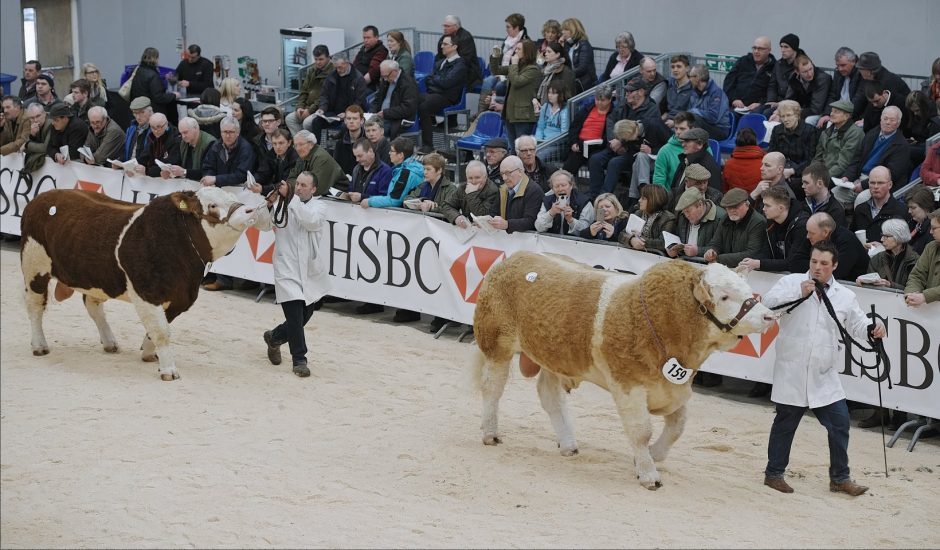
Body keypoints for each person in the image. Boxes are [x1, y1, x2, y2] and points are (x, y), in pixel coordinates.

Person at [760, 240, 885, 496]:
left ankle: (840, 478)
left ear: (834, 266)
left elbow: (858, 325)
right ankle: (774, 474)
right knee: (785, 423)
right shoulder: (791, 282)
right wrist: (798, 293)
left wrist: (873, 330)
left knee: (839, 424)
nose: (817, 268)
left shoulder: (845, 295)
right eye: (814, 262)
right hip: (792, 369)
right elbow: (768, 306)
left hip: (824, 372)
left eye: (824, 264)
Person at [258, 171, 329, 378]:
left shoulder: (320, 206)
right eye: (297, 184)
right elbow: (262, 224)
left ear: (313, 189)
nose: (298, 188)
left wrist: (292, 199)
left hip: (309, 270)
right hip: (286, 267)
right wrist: (269, 204)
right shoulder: (283, 203)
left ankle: (275, 337)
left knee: (306, 314)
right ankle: (299, 359)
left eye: (304, 185)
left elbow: (311, 222)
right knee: (295, 315)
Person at [417, 35, 467, 154]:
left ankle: (428, 145)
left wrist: (436, 80)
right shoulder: (440, 62)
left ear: (454, 46)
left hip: (448, 97)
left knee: (424, 107)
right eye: (442, 44)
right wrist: (437, 80)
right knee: (414, 98)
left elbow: (446, 83)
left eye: (445, 44)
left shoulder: (460, 65)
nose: (441, 46)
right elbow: (429, 79)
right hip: (435, 93)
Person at [489, 40, 540, 148]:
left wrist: (514, 64)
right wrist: (495, 56)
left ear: (527, 52)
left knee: (522, 148)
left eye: (519, 49)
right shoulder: (516, 67)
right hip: (510, 113)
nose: (515, 51)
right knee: (512, 147)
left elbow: (517, 81)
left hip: (523, 116)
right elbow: (496, 70)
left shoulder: (533, 70)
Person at [310, 53, 369, 143]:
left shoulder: (358, 78)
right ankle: (317, 148)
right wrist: (322, 108)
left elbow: (359, 101)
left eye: (340, 67)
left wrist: (347, 113)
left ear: (347, 63)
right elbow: (324, 95)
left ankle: (342, 150)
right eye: (336, 67)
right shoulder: (332, 76)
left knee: (345, 126)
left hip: (351, 114)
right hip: (333, 113)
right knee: (316, 122)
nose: (338, 70)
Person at [703, 188, 768, 268]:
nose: (732, 210)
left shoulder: (758, 222)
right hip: (727, 267)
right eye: (729, 207)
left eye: (736, 206)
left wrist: (719, 259)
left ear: (746, 204)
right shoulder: (725, 218)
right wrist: (711, 252)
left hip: (749, 271)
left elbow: (752, 253)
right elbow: (716, 243)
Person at [478, 13, 529, 110]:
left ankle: (495, 111)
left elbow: (521, 65)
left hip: (511, 74)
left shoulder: (525, 42)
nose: (506, 29)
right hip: (501, 71)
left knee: (499, 86)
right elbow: (502, 57)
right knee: (487, 81)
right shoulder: (508, 39)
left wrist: (504, 74)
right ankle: (481, 113)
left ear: (516, 28)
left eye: (508, 27)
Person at [798, 212, 869, 280]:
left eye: (811, 233)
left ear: (825, 232)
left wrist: (814, 267)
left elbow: (836, 273)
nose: (807, 236)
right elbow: (795, 262)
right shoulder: (813, 237)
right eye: (808, 232)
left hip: (856, 287)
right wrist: (822, 267)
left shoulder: (847, 242)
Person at [562, 85, 614, 177]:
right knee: (567, 169)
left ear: (609, 100)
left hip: (598, 147)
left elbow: (610, 135)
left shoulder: (614, 113)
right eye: (597, 99)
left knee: (594, 161)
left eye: (602, 100)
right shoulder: (587, 109)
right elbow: (574, 127)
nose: (599, 103)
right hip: (580, 146)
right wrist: (573, 142)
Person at [813, 99, 864, 192]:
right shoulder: (827, 132)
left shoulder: (855, 133)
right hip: (821, 173)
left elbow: (843, 163)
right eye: (832, 111)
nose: (831, 114)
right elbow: (818, 157)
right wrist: (811, 173)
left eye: (836, 112)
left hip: (838, 177)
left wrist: (822, 177)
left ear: (847, 116)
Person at [851, 165, 909, 243]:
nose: (876, 186)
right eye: (872, 183)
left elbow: (905, 244)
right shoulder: (860, 209)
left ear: (890, 185)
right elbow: (851, 238)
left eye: (880, 183)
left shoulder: (902, 211)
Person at [858, 218, 919, 290]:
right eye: (882, 235)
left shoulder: (915, 261)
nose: (881, 239)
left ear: (899, 237)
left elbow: (916, 290)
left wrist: (890, 285)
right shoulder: (877, 259)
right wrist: (864, 281)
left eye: (886, 236)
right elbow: (870, 287)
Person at [487, 155, 542, 233]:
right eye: (502, 174)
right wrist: (485, 222)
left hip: (527, 241)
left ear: (520, 171)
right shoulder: (503, 189)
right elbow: (493, 212)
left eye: (507, 173)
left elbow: (531, 221)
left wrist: (507, 224)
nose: (504, 178)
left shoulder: (534, 190)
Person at [286, 45, 333, 135]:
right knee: (289, 119)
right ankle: (299, 142)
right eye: (316, 59)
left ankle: (308, 144)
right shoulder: (311, 70)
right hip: (307, 107)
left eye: (321, 59)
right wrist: (300, 107)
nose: (318, 62)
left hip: (322, 109)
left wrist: (310, 110)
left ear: (328, 57)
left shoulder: (332, 73)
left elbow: (325, 97)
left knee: (307, 122)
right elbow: (303, 91)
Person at [852, 51, 912, 123]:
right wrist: (847, 113)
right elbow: (859, 100)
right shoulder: (866, 78)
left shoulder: (889, 82)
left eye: (860, 69)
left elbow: (887, 107)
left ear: (869, 71)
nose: (859, 71)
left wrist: (865, 120)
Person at [666, 187, 725, 259]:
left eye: (688, 211)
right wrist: (673, 248)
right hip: (684, 262)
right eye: (684, 212)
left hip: (706, 265)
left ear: (700, 205)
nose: (686, 215)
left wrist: (698, 251)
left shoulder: (720, 218)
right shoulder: (683, 216)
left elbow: (721, 248)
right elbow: (679, 239)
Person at [724, 36, 776, 114]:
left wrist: (760, 103)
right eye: (754, 48)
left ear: (769, 50)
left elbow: (773, 91)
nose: (756, 51)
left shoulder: (774, 67)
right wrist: (733, 99)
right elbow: (728, 82)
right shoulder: (743, 61)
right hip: (736, 105)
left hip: (757, 108)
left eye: (760, 49)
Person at [287, 130, 347, 196]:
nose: (298, 148)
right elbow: (290, 180)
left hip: (337, 197)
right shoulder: (303, 156)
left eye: (301, 144)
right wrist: (302, 185)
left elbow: (315, 189)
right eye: (295, 145)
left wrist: (297, 185)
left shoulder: (321, 158)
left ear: (311, 144)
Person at [535, 169, 594, 235]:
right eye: (557, 186)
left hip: (575, 243)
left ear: (571, 186)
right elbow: (539, 227)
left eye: (563, 185)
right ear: (552, 189)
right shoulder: (547, 200)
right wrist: (551, 213)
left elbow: (586, 231)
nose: (560, 189)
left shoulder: (584, 202)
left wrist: (571, 220)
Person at [405, 152, 460, 222]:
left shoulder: (451, 189)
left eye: (428, 169)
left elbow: (451, 209)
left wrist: (430, 207)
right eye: (424, 169)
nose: (425, 172)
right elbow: (406, 200)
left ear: (439, 170)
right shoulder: (422, 186)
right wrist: (421, 202)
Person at [371, 59, 419, 139]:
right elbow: (377, 99)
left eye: (386, 76)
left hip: (397, 119)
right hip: (381, 116)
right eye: (383, 77)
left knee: (372, 131)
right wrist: (372, 112)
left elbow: (408, 108)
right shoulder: (386, 80)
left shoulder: (408, 83)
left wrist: (385, 113)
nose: (385, 79)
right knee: (361, 126)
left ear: (394, 71)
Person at [622, 184, 676, 254]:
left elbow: (663, 243)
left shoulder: (668, 218)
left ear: (654, 200)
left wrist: (641, 238)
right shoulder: (638, 213)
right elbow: (622, 234)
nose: (639, 200)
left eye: (643, 198)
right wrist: (631, 240)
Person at [903, 210, 940, 307]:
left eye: (934, 228)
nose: (931, 232)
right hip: (928, 315)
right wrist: (911, 293)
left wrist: (925, 296)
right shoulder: (931, 247)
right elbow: (917, 275)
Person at [129, 47, 180, 118]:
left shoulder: (137, 70)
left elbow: (144, 85)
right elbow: (158, 97)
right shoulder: (153, 75)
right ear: (155, 58)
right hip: (152, 112)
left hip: (138, 109)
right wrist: (174, 95)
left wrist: (162, 77)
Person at [782, 55, 832, 126]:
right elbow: (788, 100)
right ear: (797, 72)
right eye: (805, 72)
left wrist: (792, 114)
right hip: (803, 109)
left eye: (811, 69)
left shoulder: (822, 79)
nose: (809, 74)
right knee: (775, 115)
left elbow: (816, 109)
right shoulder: (794, 77)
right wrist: (780, 112)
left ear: (812, 64)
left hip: (822, 112)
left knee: (807, 120)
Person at [669, 127, 722, 193]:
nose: (683, 145)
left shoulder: (708, 166)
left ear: (699, 144)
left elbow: (714, 195)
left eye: (687, 141)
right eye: (683, 141)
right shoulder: (686, 160)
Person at [687, 64, 731, 140]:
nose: (689, 80)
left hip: (719, 129)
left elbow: (713, 118)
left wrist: (695, 111)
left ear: (697, 78)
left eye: (690, 76)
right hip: (702, 125)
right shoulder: (694, 92)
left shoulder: (716, 93)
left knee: (694, 118)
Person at [436, 15, 481, 90]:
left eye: (447, 26)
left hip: (467, 72)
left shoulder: (465, 37)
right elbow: (440, 56)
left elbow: (465, 60)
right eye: (444, 26)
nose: (444, 28)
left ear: (456, 27)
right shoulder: (445, 37)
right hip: (449, 70)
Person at [652, 111, 696, 188]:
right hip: (671, 197)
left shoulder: (702, 148)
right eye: (676, 128)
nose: (678, 132)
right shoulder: (665, 150)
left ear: (692, 129)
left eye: (682, 129)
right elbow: (658, 180)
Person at [165, 116, 216, 181]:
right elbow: (177, 163)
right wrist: (171, 172)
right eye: (181, 133)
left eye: (185, 132)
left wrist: (184, 172)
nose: (183, 136)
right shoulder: (182, 142)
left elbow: (206, 172)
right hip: (186, 182)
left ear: (196, 129)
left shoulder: (210, 144)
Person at [454, 160, 500, 229]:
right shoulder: (462, 187)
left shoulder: (493, 191)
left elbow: (481, 215)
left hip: (486, 233)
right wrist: (456, 217)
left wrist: (472, 194)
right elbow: (447, 205)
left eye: (477, 177)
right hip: (468, 231)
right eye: (470, 178)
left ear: (485, 177)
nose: (473, 181)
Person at [347, 138, 393, 206]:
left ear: (370, 152)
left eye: (360, 156)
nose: (357, 159)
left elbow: (385, 198)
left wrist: (362, 197)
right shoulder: (356, 169)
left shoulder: (385, 171)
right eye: (355, 156)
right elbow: (351, 189)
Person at [801, 161, 848, 228]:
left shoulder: (835, 211)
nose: (803, 186)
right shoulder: (805, 204)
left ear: (820, 184)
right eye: (803, 183)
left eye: (806, 183)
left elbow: (838, 237)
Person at [252, 128, 298, 196]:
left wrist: (263, 189)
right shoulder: (271, 153)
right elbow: (263, 172)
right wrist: (253, 181)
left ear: (289, 143)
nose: (277, 147)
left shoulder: (295, 158)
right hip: (274, 189)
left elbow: (285, 183)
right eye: (274, 143)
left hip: (289, 193)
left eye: (281, 143)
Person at [765, 33, 803, 112]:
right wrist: (771, 100)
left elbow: (797, 91)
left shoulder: (802, 64)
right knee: (758, 112)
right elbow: (772, 85)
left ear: (794, 48)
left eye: (786, 47)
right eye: (781, 46)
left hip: (792, 104)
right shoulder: (778, 64)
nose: (782, 50)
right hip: (777, 101)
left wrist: (781, 104)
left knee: (767, 113)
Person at [135, 112, 180, 177]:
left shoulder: (175, 139)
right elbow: (144, 157)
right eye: (153, 127)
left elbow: (169, 164)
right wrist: (135, 167)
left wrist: (147, 171)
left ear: (166, 124)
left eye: (159, 127)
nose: (156, 131)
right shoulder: (151, 136)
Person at [903, 91, 940, 167]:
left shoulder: (934, 121)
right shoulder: (915, 116)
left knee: (904, 150)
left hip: (928, 151)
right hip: (919, 145)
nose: (915, 114)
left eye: (917, 110)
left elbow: (931, 146)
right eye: (913, 111)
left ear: (923, 106)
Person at [534, 84, 569, 162]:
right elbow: (540, 127)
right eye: (549, 92)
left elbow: (564, 134)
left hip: (557, 145)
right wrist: (538, 140)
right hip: (542, 142)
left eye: (553, 93)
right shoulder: (545, 107)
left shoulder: (565, 110)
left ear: (561, 95)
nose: (550, 95)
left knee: (538, 157)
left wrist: (547, 143)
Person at [722, 128, 764, 194]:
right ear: (755, 140)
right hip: (759, 201)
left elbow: (725, 188)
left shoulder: (728, 164)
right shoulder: (765, 163)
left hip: (735, 201)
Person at [533, 42, 576, 106]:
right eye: (546, 51)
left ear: (557, 54)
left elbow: (568, 94)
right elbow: (536, 86)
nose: (546, 54)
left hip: (557, 108)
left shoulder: (566, 72)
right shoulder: (545, 70)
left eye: (549, 52)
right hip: (541, 107)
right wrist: (535, 98)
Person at [559, 18, 595, 93]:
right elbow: (564, 62)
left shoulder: (584, 45)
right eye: (562, 29)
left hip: (584, 84)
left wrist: (566, 76)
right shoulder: (569, 45)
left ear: (574, 30)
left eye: (566, 29)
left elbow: (583, 68)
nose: (563, 32)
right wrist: (561, 47)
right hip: (573, 81)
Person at [332, 105, 366, 175]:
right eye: (349, 118)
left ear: (362, 121)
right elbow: (336, 168)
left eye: (355, 118)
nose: (351, 121)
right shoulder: (340, 144)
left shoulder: (368, 143)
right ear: (345, 121)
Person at [354, 26, 389, 91]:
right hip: (357, 82)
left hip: (370, 86)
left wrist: (357, 86)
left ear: (376, 38)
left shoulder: (381, 51)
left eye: (368, 38)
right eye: (364, 38)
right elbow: (355, 64)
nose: (365, 40)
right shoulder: (363, 49)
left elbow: (373, 72)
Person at [663, 54, 693, 126]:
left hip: (682, 124)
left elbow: (692, 114)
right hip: (667, 120)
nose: (675, 70)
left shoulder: (693, 88)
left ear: (687, 69)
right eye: (673, 67)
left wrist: (675, 123)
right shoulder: (669, 84)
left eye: (679, 66)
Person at [906, 187, 936, 253]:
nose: (909, 211)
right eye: (908, 207)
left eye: (913, 208)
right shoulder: (912, 223)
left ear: (926, 207)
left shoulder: (933, 231)